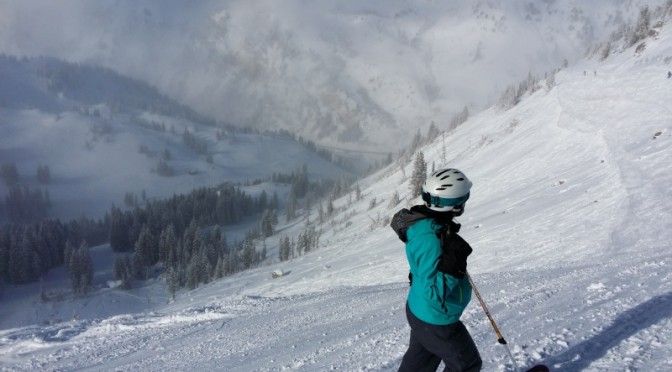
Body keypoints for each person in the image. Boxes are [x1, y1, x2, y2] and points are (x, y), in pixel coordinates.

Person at [391, 168, 482, 372]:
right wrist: (453, 266)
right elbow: (434, 294)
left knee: (420, 362)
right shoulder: (430, 238)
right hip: (436, 319)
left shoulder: (425, 224)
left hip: (421, 313)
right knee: (467, 365)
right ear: (456, 205)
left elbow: (423, 270)